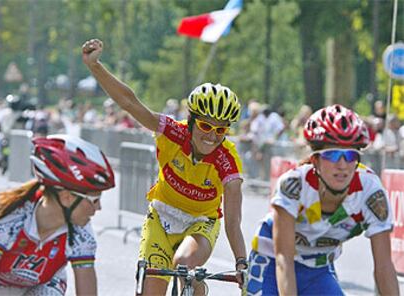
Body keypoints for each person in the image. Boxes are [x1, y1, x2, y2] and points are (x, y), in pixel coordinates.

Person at [82, 38, 247, 295]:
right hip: (162, 215)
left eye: (221, 129)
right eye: (205, 125)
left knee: (185, 264)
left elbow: (233, 222)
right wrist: (95, 67)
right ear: (191, 121)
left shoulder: (228, 160)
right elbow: (129, 103)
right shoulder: (172, 133)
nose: (212, 135)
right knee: (151, 290)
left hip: (201, 222)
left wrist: (241, 263)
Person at [246, 104, 399, 295]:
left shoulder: (371, 192)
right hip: (272, 262)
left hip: (317, 269)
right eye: (333, 155)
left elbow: (384, 267)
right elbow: (283, 258)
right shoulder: (294, 185)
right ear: (315, 160)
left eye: (350, 155)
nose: (342, 165)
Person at [0, 134, 115, 295]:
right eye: (95, 199)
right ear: (67, 197)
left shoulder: (82, 234)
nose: (98, 208)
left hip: (42, 287)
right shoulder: (7, 222)